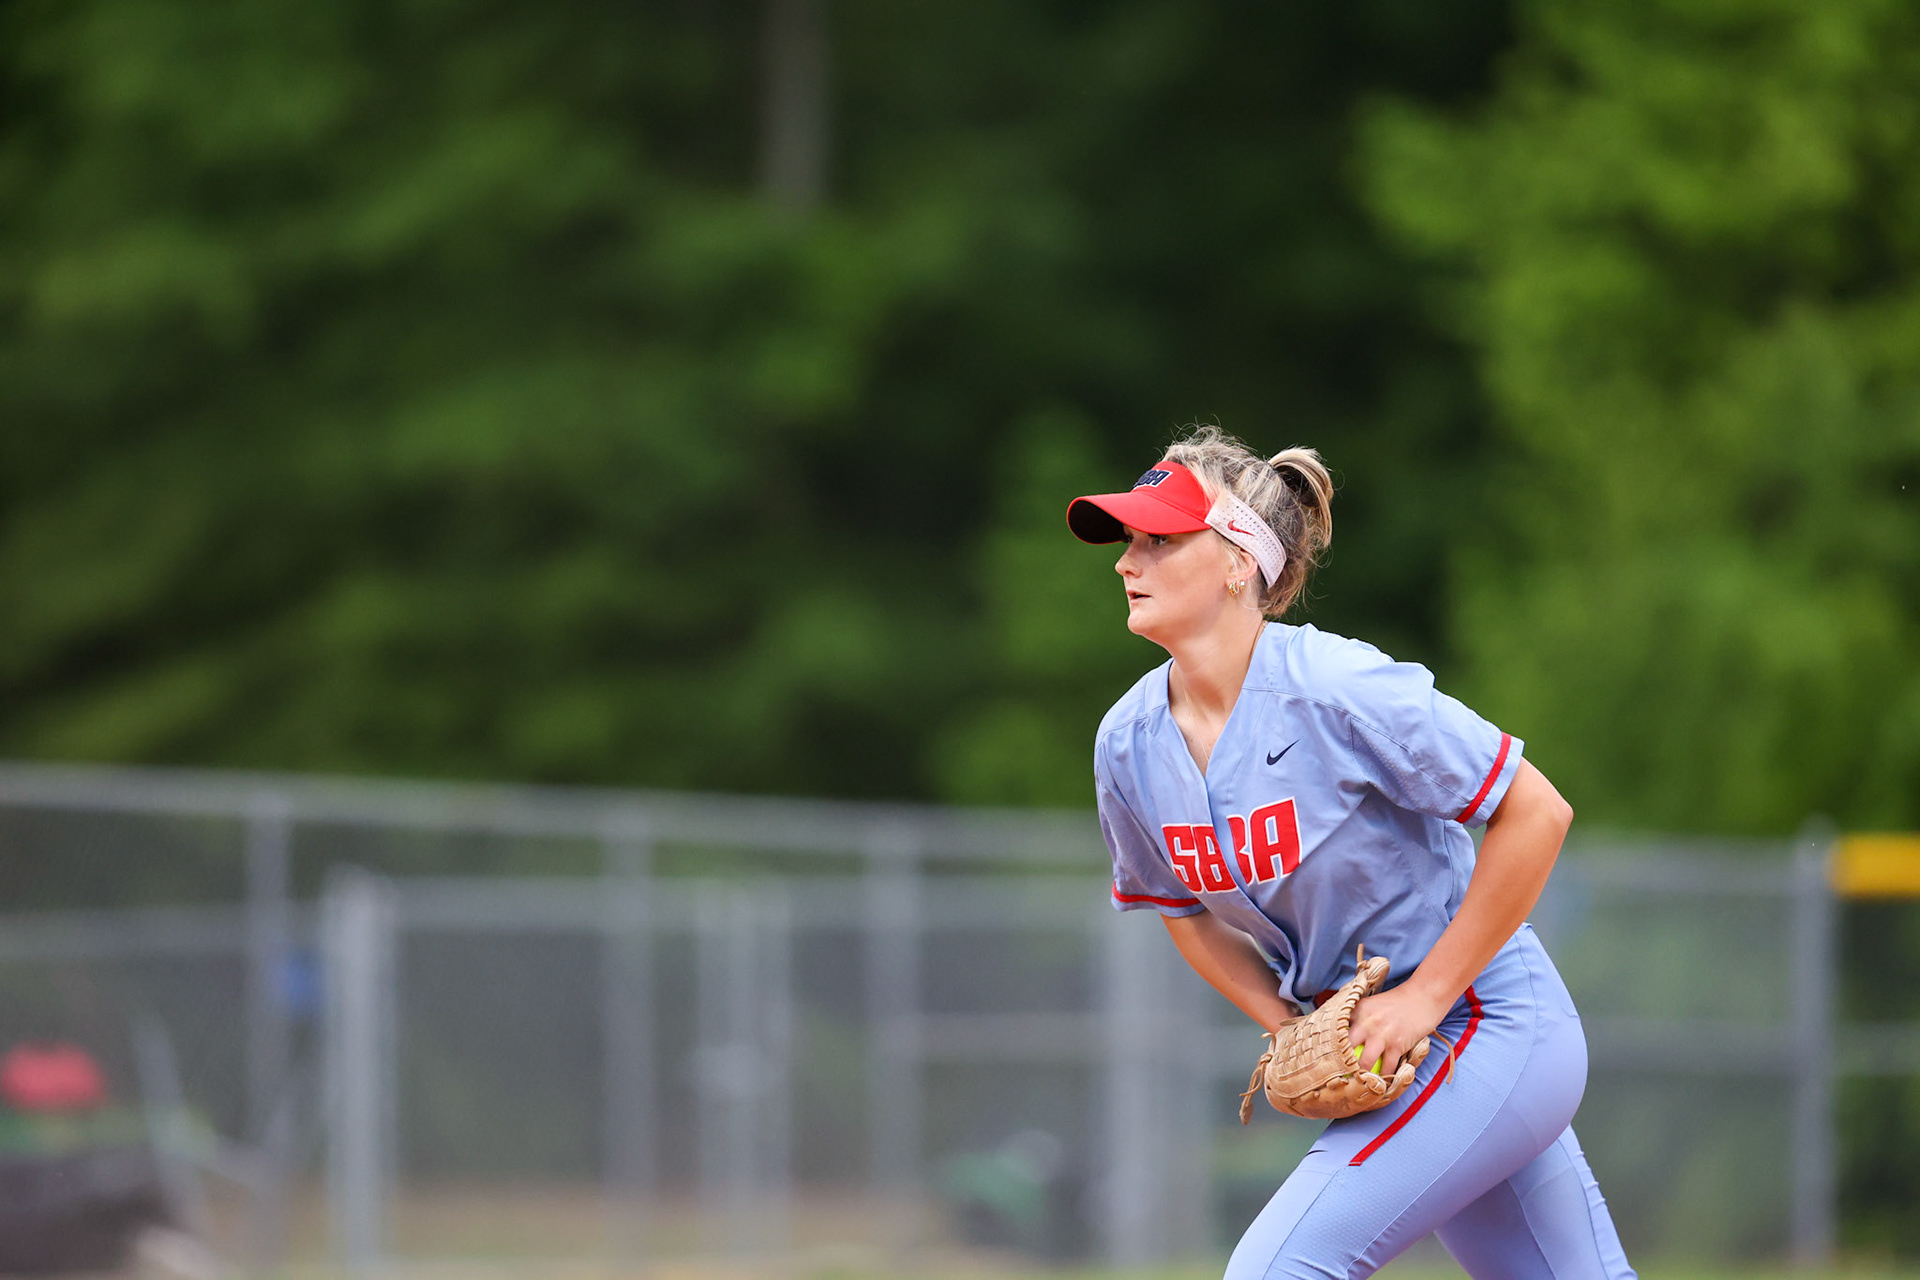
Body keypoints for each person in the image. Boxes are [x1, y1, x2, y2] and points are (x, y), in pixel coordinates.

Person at [1068, 426, 1636, 1280]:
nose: (1126, 561)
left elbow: (1536, 811)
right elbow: (1181, 913)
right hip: (1384, 1050)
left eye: (1159, 539)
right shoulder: (1128, 743)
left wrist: (1424, 998)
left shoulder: (1335, 687)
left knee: (1275, 1272)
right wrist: (1287, 1027)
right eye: (1128, 541)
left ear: (1237, 562)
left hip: (1484, 1021)